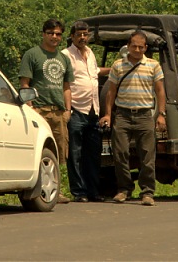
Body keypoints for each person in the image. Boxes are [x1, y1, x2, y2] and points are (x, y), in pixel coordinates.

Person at [98, 30, 166, 206]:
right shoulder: (118, 65)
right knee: (120, 153)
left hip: (144, 115)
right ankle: (124, 190)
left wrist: (161, 115)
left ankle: (148, 192)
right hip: (122, 115)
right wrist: (107, 114)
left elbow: (160, 91)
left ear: (145, 47)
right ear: (128, 46)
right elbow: (111, 92)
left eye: (140, 47)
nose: (137, 49)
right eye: (134, 46)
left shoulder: (153, 65)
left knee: (147, 155)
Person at [19, 18, 74, 203]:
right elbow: (25, 84)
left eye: (58, 34)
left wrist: (68, 110)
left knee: (58, 153)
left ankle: (54, 191)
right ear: (43, 34)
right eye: (51, 33)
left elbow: (66, 87)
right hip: (39, 110)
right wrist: (30, 106)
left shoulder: (64, 58)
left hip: (58, 111)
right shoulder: (32, 55)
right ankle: (35, 190)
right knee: (38, 151)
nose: (54, 37)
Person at [63, 21, 109, 203]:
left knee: (93, 154)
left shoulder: (90, 53)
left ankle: (93, 191)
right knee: (75, 154)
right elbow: (64, 83)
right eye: (79, 34)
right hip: (76, 109)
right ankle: (79, 192)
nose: (82, 37)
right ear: (72, 36)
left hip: (93, 110)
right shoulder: (66, 55)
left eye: (85, 34)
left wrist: (114, 70)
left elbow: (94, 73)